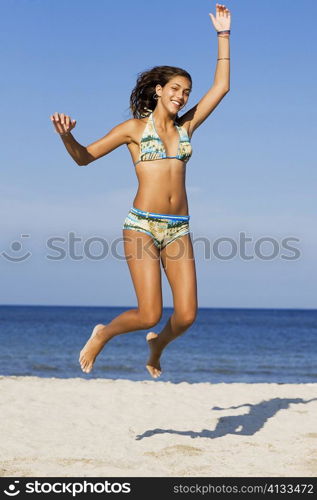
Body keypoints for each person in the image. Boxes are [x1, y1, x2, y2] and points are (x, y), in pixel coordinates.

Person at [50, 3, 231, 379]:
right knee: (148, 312)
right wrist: (68, 136)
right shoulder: (133, 129)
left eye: (187, 91)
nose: (182, 96)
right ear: (159, 90)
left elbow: (222, 86)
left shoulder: (186, 128)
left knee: (186, 316)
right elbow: (84, 158)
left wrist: (223, 36)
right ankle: (104, 333)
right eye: (176, 89)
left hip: (178, 226)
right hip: (142, 225)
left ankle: (157, 345)